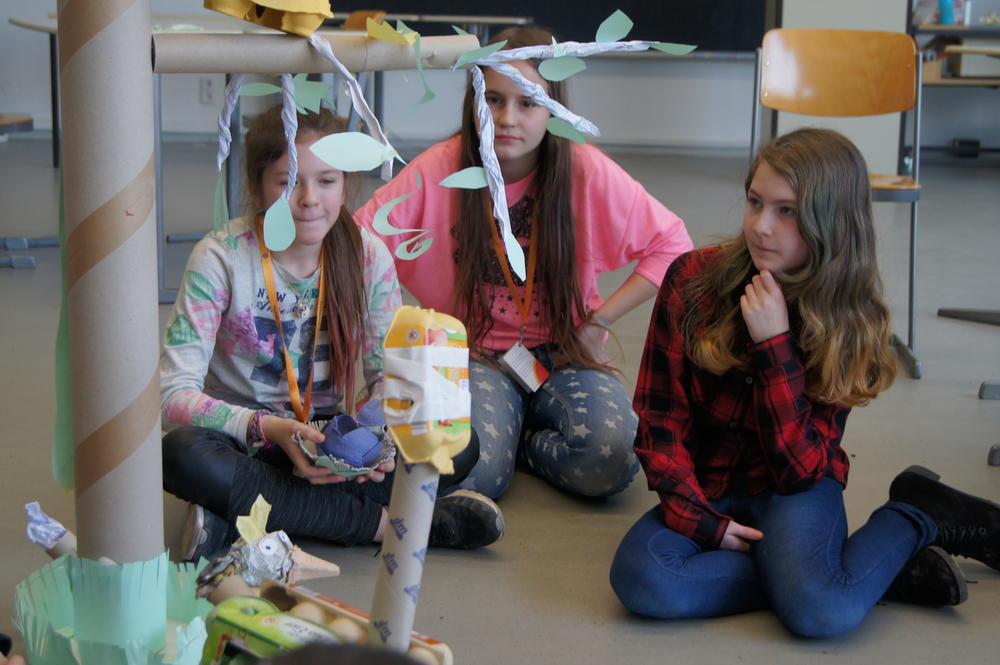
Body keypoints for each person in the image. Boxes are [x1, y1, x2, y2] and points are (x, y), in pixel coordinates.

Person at [610, 127, 1000, 637]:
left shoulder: (847, 318)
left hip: (791, 489)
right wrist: (700, 520)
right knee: (645, 580)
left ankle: (915, 515)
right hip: (708, 484)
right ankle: (860, 573)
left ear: (829, 221)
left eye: (787, 211)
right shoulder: (692, 279)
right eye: (755, 202)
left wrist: (775, 348)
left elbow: (800, 470)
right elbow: (659, 422)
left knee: (822, 612)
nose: (761, 226)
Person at [355, 27, 693, 500]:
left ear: (553, 108)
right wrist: (394, 340)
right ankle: (506, 438)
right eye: (493, 99)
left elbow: (673, 244)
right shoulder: (442, 168)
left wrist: (598, 321)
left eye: (527, 103)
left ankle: (524, 444)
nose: (507, 119)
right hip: (477, 356)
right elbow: (357, 244)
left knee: (612, 458)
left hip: (566, 352)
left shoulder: (583, 168)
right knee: (470, 474)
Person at [160, 106, 504, 561]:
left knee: (457, 444)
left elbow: (387, 378)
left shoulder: (368, 256)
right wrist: (268, 427)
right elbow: (172, 395)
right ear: (256, 188)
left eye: (326, 180)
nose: (308, 198)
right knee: (180, 454)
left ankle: (246, 515)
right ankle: (396, 526)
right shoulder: (220, 258)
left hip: (330, 440)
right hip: (247, 439)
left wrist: (379, 440)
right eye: (287, 182)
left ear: (346, 184)